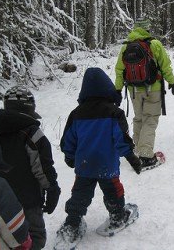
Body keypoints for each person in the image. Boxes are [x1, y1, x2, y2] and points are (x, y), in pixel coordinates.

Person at [58, 67, 141, 244]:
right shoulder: (114, 113)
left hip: (85, 165)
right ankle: (118, 215)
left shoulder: (76, 114)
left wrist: (70, 156)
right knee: (113, 191)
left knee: (80, 194)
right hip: (107, 165)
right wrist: (131, 157)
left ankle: (72, 223)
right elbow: (122, 140)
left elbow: (68, 140)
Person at [0, 86, 60, 250]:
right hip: (28, 199)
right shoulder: (32, 132)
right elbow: (42, 166)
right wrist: (52, 188)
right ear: (30, 107)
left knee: (2, 239)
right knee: (34, 237)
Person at [114, 18, 174, 169]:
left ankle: (137, 149)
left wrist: (117, 89)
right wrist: (172, 81)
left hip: (133, 90)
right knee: (150, 119)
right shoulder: (154, 44)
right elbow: (165, 65)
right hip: (153, 88)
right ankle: (146, 155)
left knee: (139, 119)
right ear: (147, 29)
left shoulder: (126, 47)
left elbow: (119, 70)